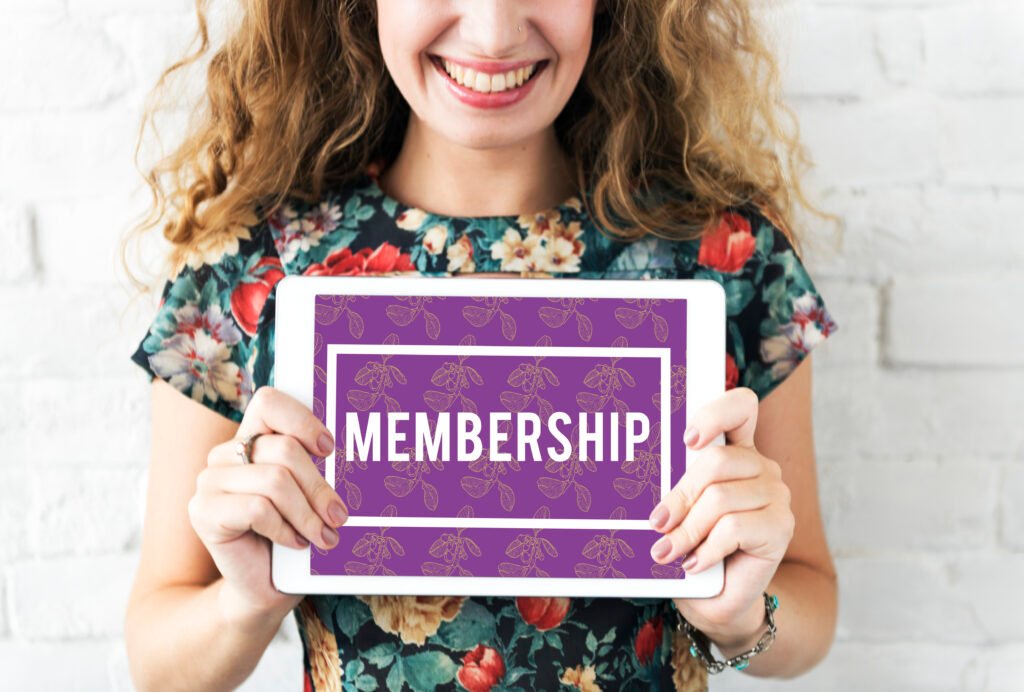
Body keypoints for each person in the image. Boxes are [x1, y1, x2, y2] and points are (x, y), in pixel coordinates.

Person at [121, 1, 841, 690]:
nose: (493, 32)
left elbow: (811, 608)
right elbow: (158, 661)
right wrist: (245, 601)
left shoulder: (731, 257)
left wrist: (739, 612)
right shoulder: (252, 267)